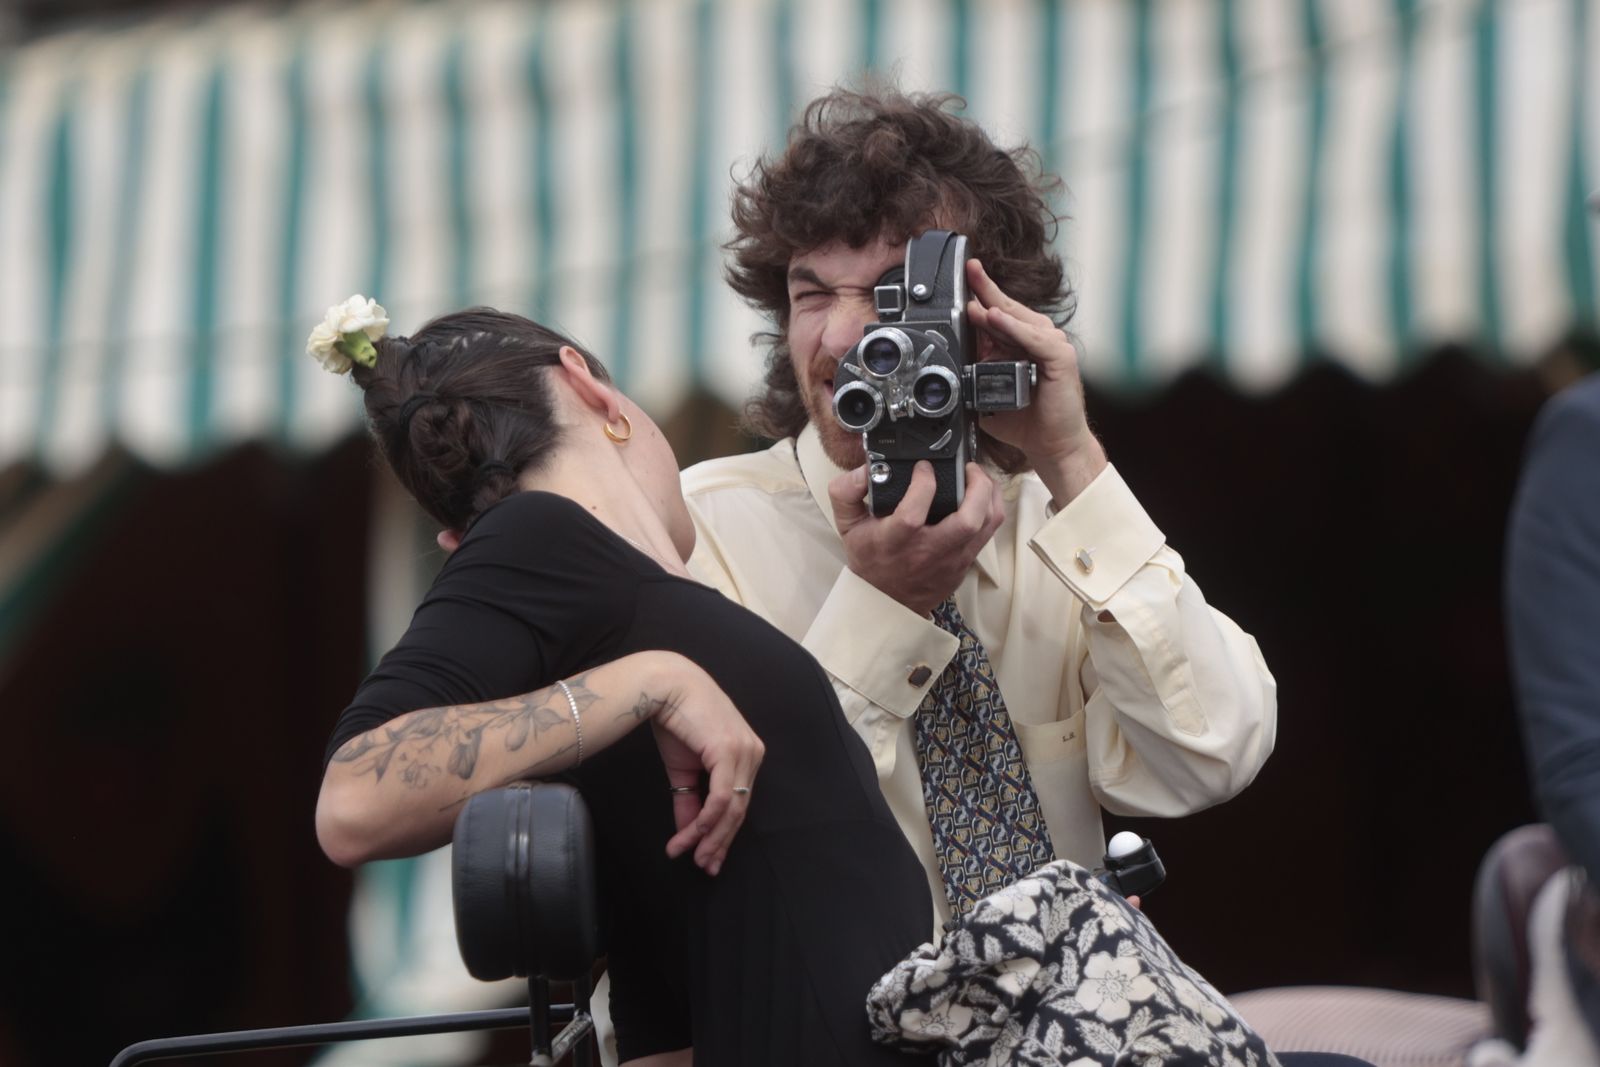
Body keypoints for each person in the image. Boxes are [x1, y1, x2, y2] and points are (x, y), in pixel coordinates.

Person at [680, 86, 1278, 931]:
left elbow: (1211, 754)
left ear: (987, 316)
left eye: (894, 295)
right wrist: (884, 607)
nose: (848, 339)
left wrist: (1072, 459)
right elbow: (734, 845)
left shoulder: (1052, 525)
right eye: (813, 295)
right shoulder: (700, 529)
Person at [312, 301, 935, 1066]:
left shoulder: (615, 616)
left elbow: (664, 1026)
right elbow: (351, 799)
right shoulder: (540, 533)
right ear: (588, 386)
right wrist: (654, 680)